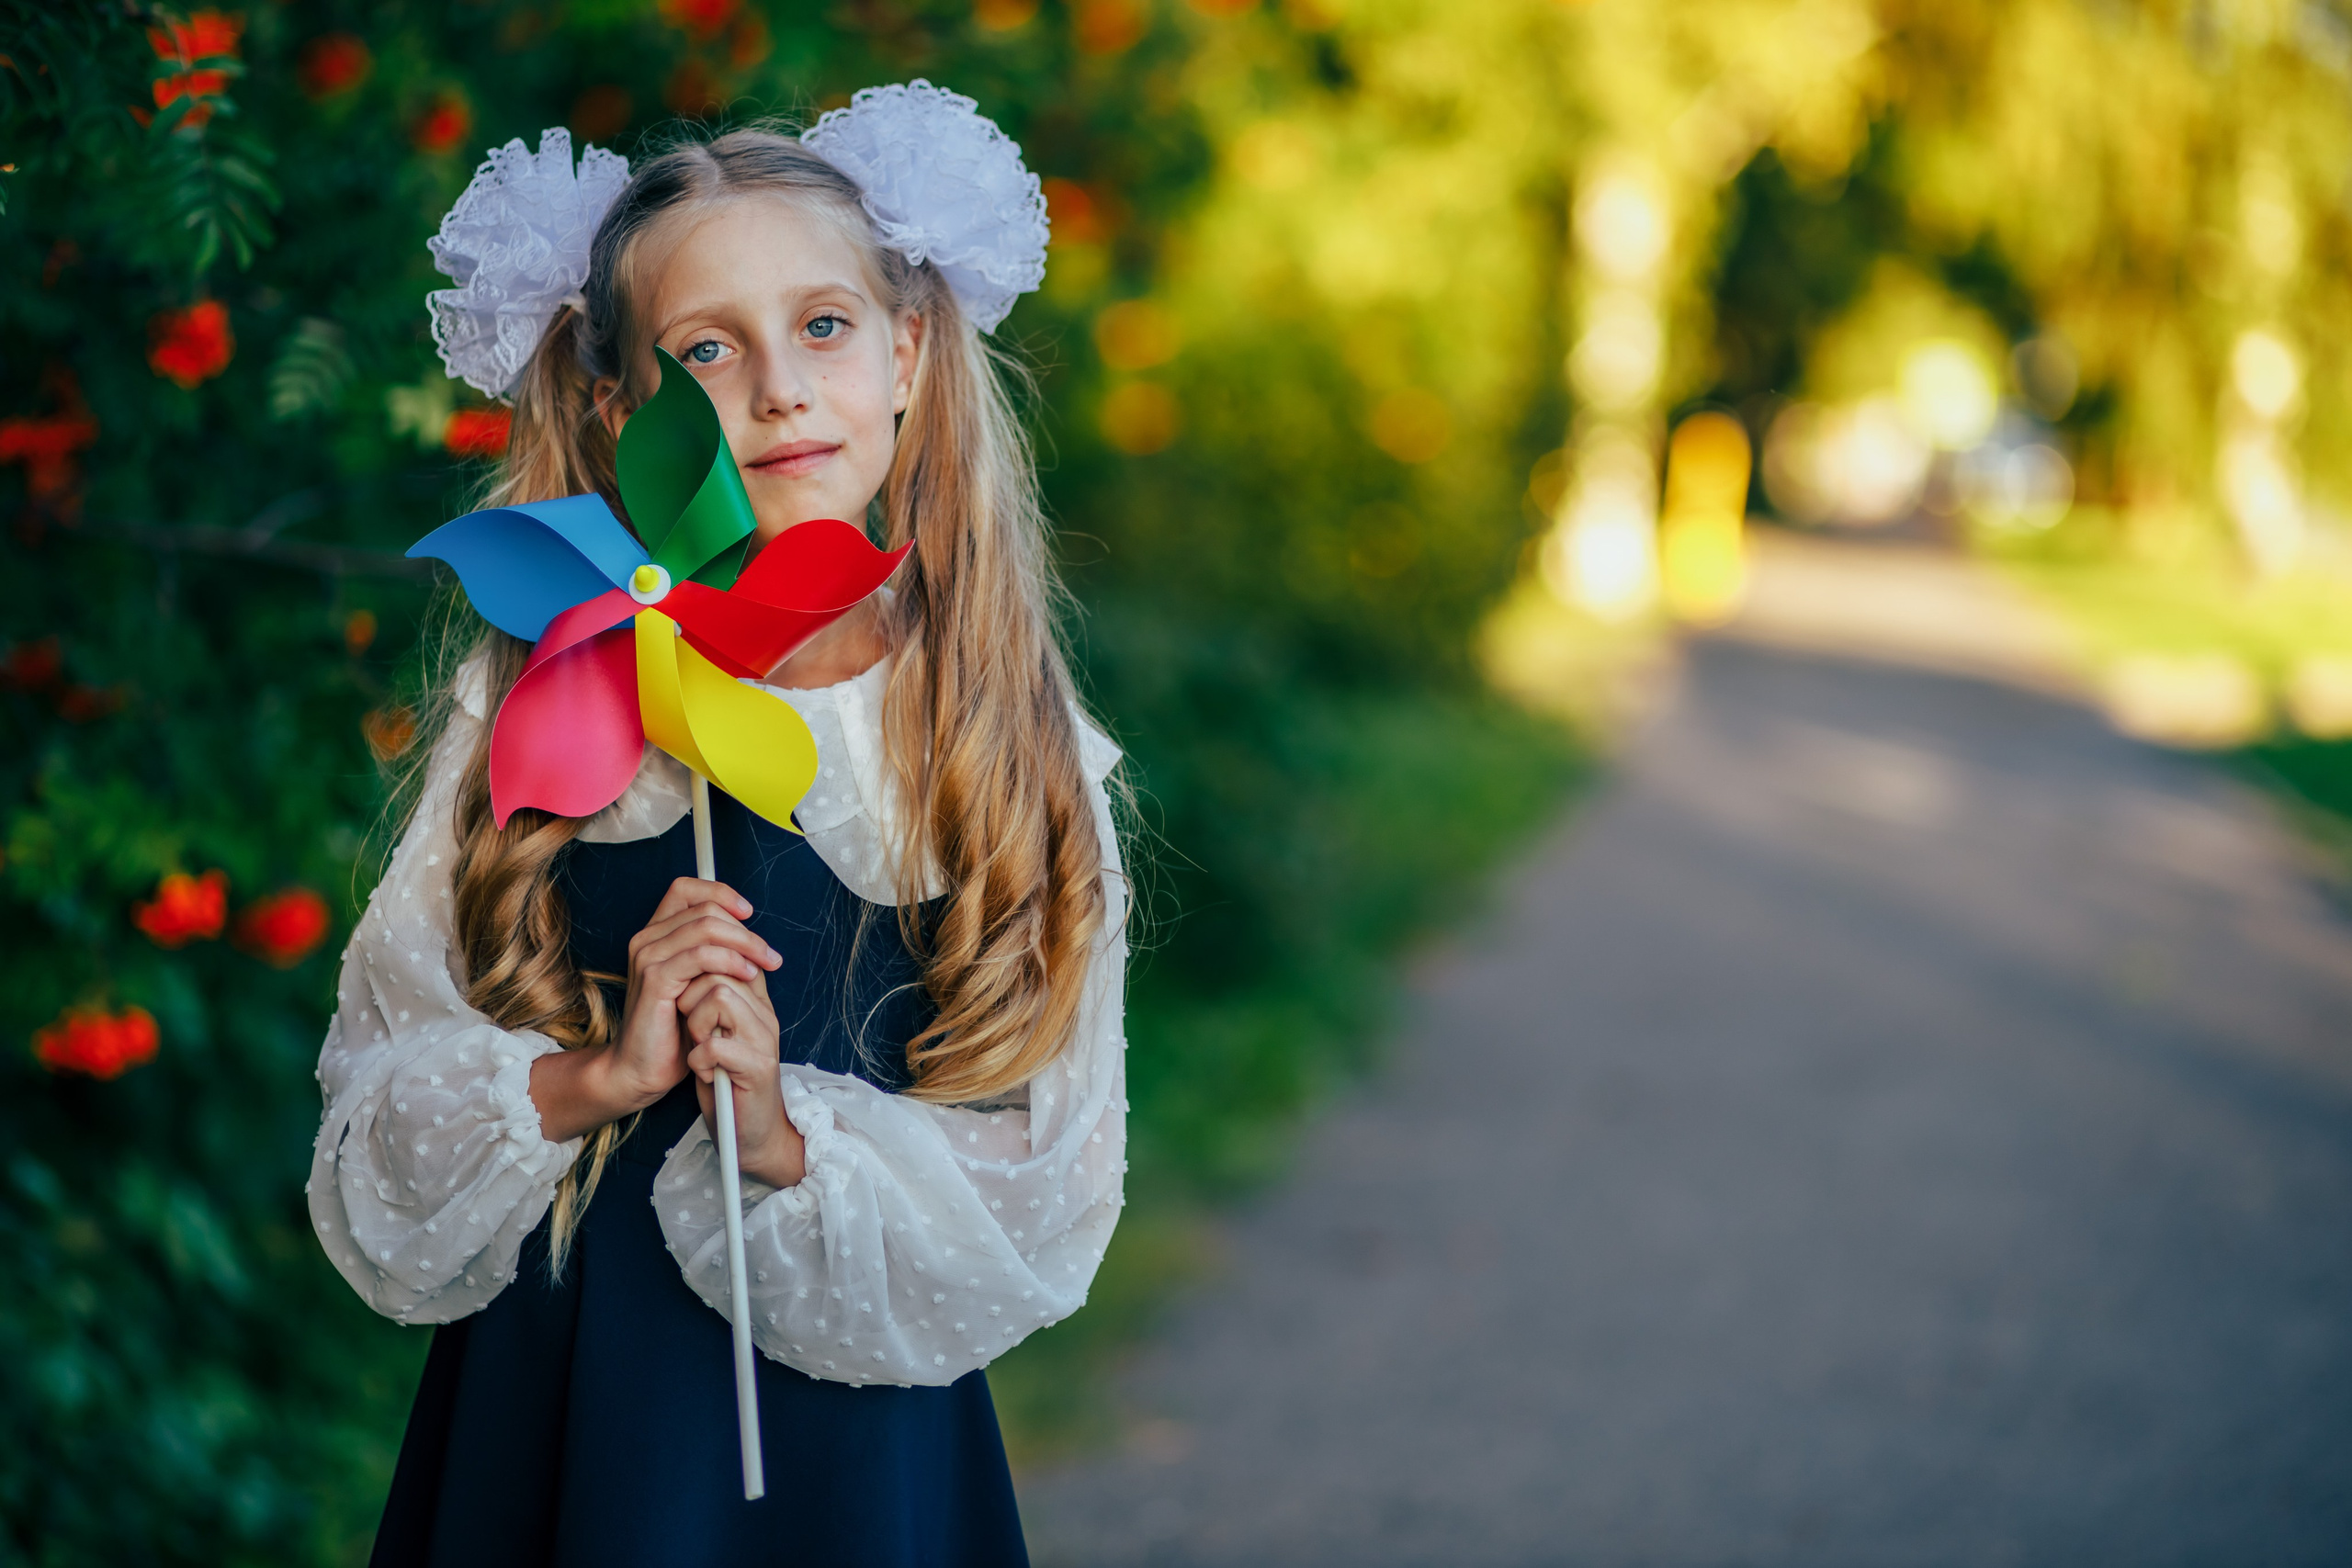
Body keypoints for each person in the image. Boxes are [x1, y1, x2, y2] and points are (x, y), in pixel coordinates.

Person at [307, 84, 1127, 1567]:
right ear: (623, 407)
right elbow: (384, 1087)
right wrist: (596, 1074)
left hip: (857, 1432)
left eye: (823, 326)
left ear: (909, 353)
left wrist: (780, 1129)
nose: (778, 389)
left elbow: (1045, 1189)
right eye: (707, 349)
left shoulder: (992, 729)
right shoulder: (544, 695)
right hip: (575, 1402)